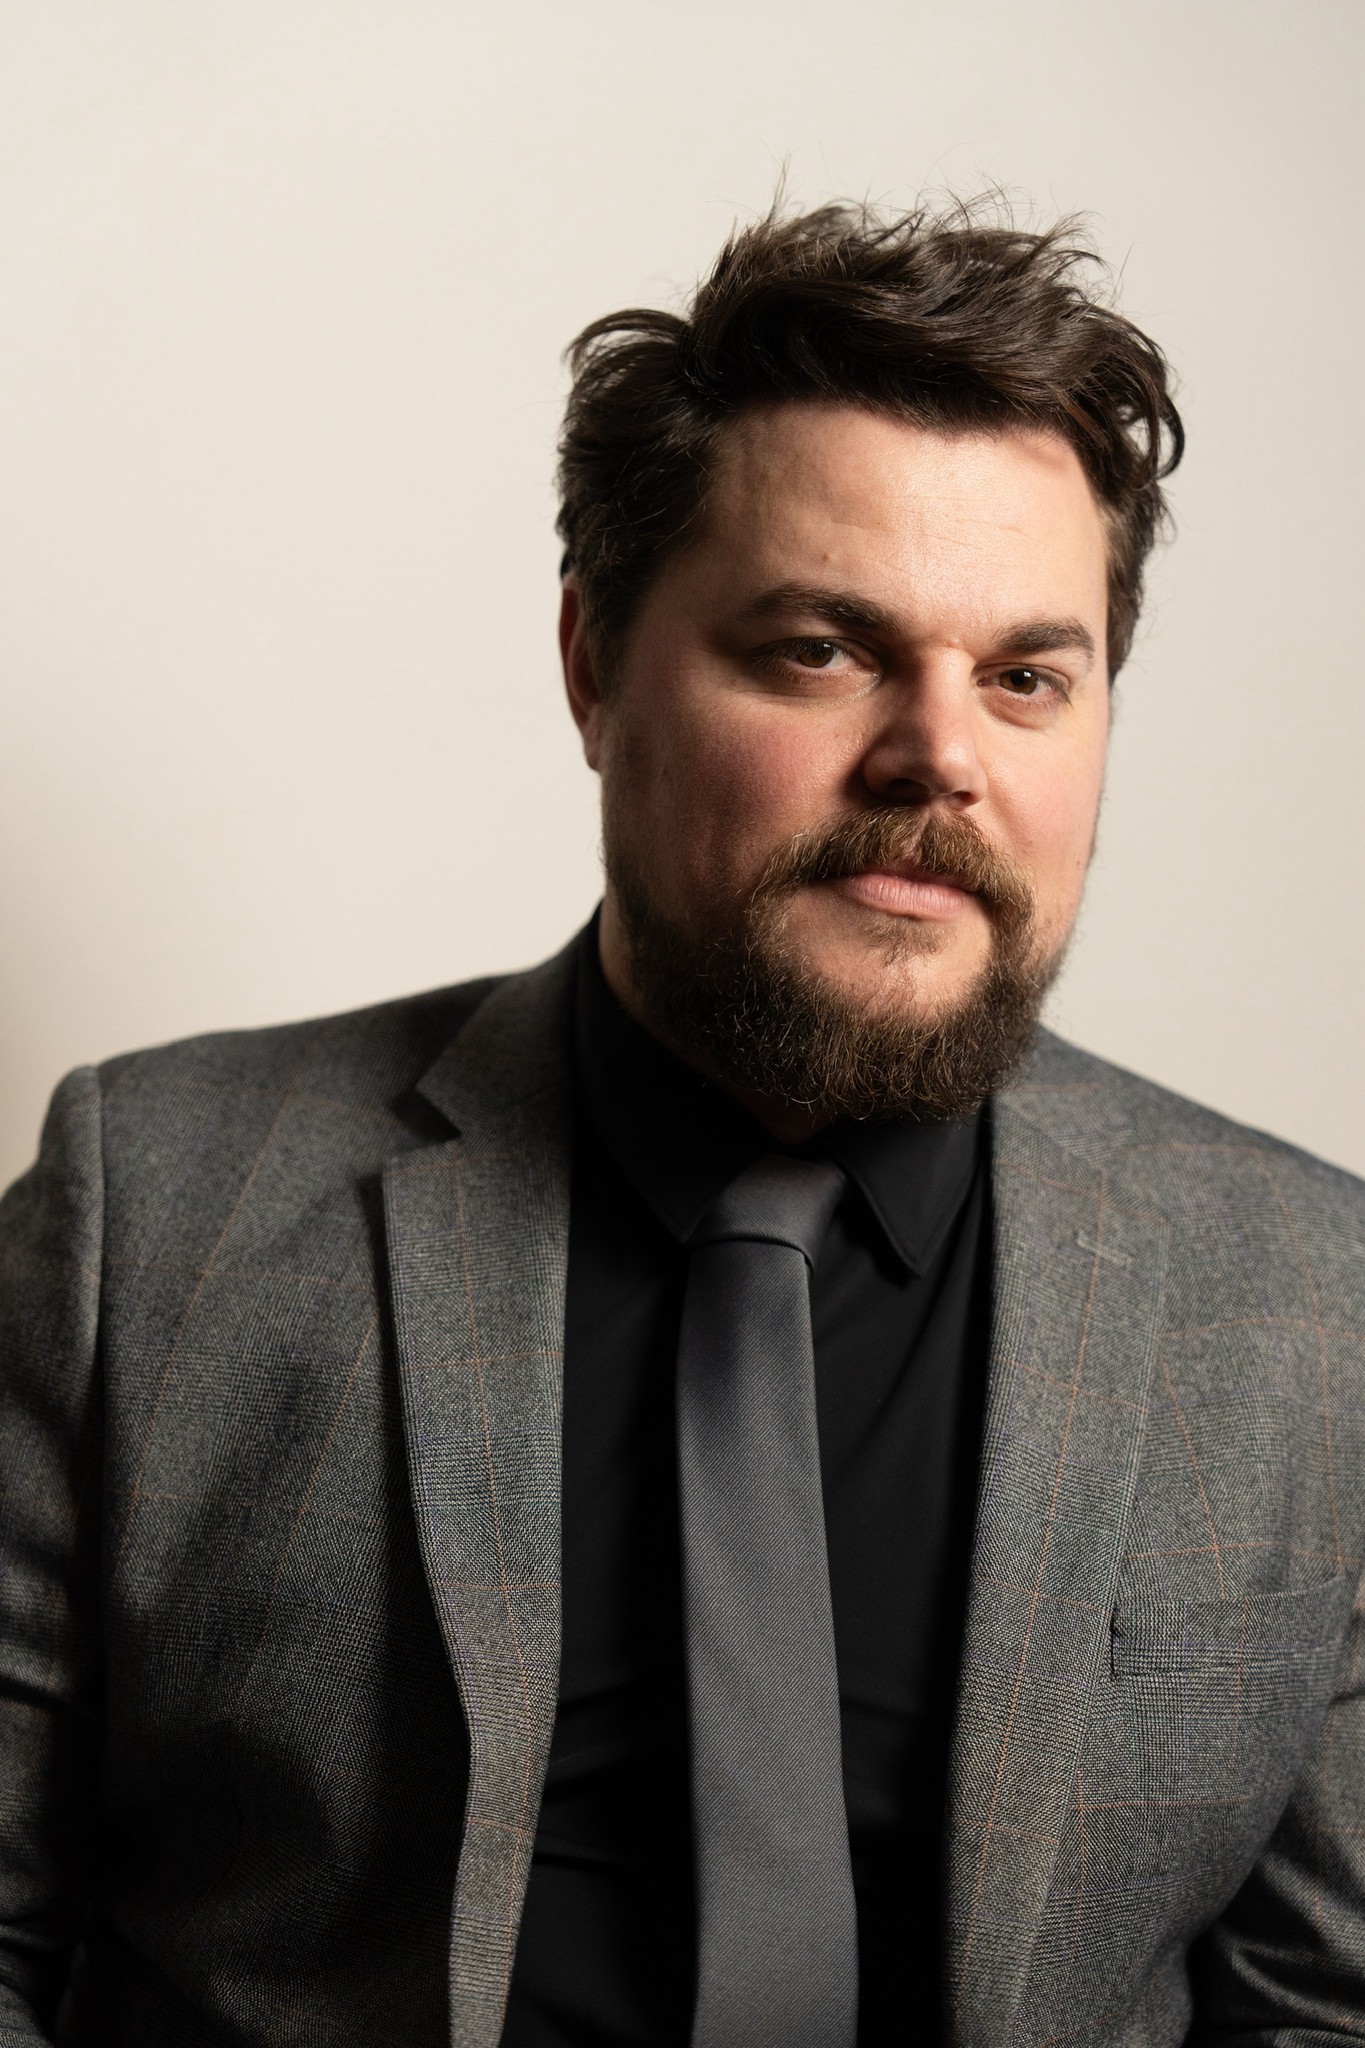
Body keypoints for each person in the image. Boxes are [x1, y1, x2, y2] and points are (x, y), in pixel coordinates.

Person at [1, 198, 1362, 2048]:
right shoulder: (151, 1211)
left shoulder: (1306, 1303)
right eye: (820, 648)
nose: (938, 758)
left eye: (1025, 677)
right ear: (591, 666)